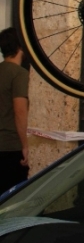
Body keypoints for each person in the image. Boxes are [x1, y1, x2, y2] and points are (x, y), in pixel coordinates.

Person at [0, 28, 30, 195]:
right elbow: (20, 110)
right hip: (11, 147)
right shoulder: (19, 74)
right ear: (20, 46)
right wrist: (25, 145)